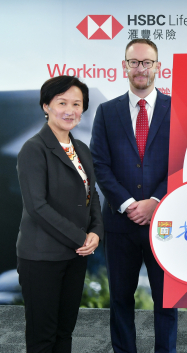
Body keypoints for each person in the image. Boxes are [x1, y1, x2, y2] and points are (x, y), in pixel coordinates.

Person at [90, 39, 178, 353]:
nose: (140, 68)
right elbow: (99, 163)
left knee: (166, 301)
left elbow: (183, 163)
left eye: (147, 62)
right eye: (134, 62)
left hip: (164, 222)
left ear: (158, 66)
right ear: (124, 66)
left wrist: (154, 202)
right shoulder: (106, 111)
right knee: (121, 300)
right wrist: (128, 204)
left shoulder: (176, 109)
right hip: (120, 223)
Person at [16, 75, 103, 352]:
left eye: (77, 104)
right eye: (62, 102)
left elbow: (92, 197)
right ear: (46, 106)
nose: (70, 110)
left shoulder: (82, 149)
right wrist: (80, 237)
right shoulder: (34, 148)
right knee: (43, 336)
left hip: (75, 256)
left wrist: (96, 232)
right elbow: (37, 206)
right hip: (41, 257)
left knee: (65, 332)